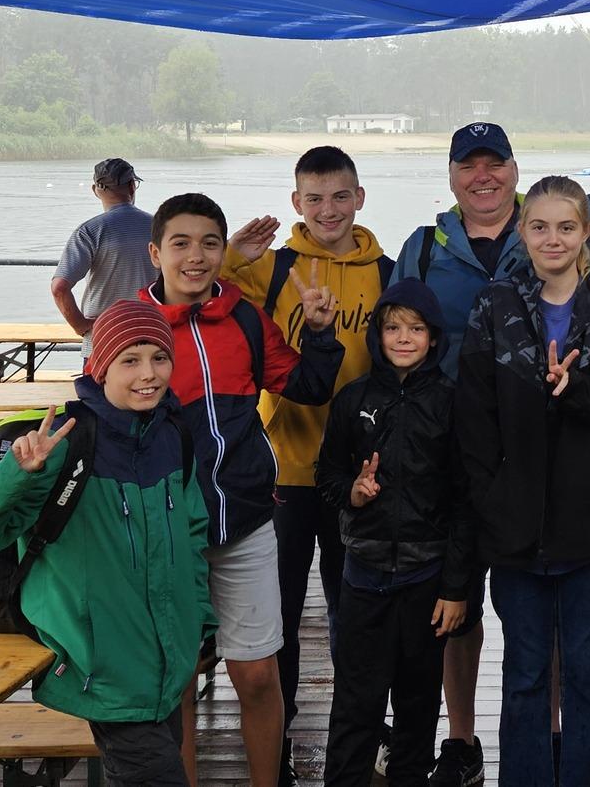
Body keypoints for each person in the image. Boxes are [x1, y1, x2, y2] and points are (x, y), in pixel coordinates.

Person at [395, 30, 590, 785]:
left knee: (576, 663)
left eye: (494, 164)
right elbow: (391, 339)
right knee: (467, 625)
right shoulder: (425, 251)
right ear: (453, 176)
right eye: (468, 165)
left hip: (579, 500)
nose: (482, 176)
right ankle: (458, 743)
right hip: (473, 474)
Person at [0, 301, 213, 787]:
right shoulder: (63, 442)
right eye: (129, 360)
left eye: (159, 357)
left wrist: (200, 623)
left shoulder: (173, 435)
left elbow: (192, 537)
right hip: (100, 667)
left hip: (167, 666)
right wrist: (14, 476)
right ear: (99, 367)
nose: (148, 374)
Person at [453, 176, 590, 787]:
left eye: (567, 227)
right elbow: (474, 417)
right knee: (525, 673)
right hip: (514, 528)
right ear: (522, 231)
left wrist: (576, 390)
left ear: (586, 231)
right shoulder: (496, 303)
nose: (553, 239)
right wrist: (492, 499)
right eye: (539, 227)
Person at [142, 193, 344, 787]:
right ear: (156, 253)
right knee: (176, 677)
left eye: (209, 243)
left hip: (249, 519)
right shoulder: (132, 325)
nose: (196, 257)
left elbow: (306, 386)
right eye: (180, 243)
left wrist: (320, 332)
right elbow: (104, 413)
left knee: (257, 674)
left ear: (221, 250)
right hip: (168, 527)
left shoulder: (247, 319)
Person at [224, 145, 394, 772]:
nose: (329, 209)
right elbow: (176, 292)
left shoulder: (387, 271)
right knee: (280, 617)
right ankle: (281, 733)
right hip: (283, 470)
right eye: (315, 199)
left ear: (360, 198)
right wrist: (230, 256)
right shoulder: (269, 268)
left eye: (340, 196)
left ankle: (365, 735)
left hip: (358, 476)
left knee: (358, 613)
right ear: (296, 203)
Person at [316, 280, 471, 787]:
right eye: (392, 328)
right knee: (355, 703)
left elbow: (466, 501)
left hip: (426, 580)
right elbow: (328, 476)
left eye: (416, 329)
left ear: (433, 337)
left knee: (417, 702)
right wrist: (355, 494)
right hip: (363, 575)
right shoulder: (353, 399)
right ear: (377, 334)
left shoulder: (452, 403)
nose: (404, 338)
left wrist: (455, 588)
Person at [51, 157, 155, 345]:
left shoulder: (90, 231)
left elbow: (59, 288)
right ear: (132, 186)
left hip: (103, 338)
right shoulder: (160, 227)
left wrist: (81, 325)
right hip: (153, 334)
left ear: (96, 191)